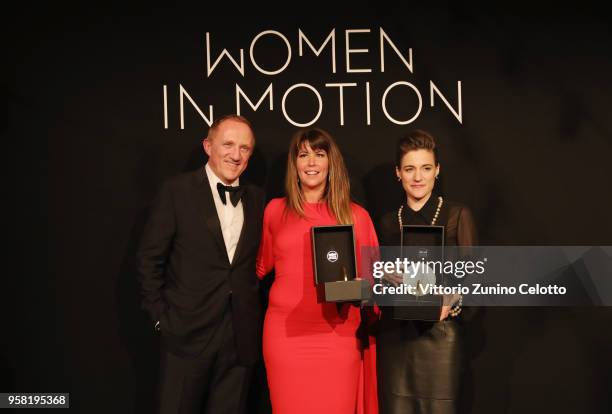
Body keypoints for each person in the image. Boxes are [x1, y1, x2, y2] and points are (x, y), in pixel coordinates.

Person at [136, 115, 265, 414]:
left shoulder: (257, 198)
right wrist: (160, 318)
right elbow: (149, 259)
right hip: (186, 335)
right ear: (208, 146)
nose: (236, 155)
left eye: (244, 148)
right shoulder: (177, 191)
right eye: (228, 144)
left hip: (239, 339)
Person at [256, 128, 379, 414]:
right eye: (303, 155)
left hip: (338, 340)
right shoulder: (275, 211)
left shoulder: (357, 216)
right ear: (294, 164)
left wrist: (359, 290)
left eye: (319, 154)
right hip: (284, 340)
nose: (311, 162)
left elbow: (376, 286)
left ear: (330, 162)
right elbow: (257, 267)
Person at [375, 129, 478, 414]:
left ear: (437, 171)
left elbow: (476, 282)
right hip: (396, 339)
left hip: (441, 339)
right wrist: (383, 277)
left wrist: (451, 303)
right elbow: (380, 285)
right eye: (409, 169)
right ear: (398, 172)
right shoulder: (386, 223)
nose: (418, 177)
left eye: (425, 168)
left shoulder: (458, 215)